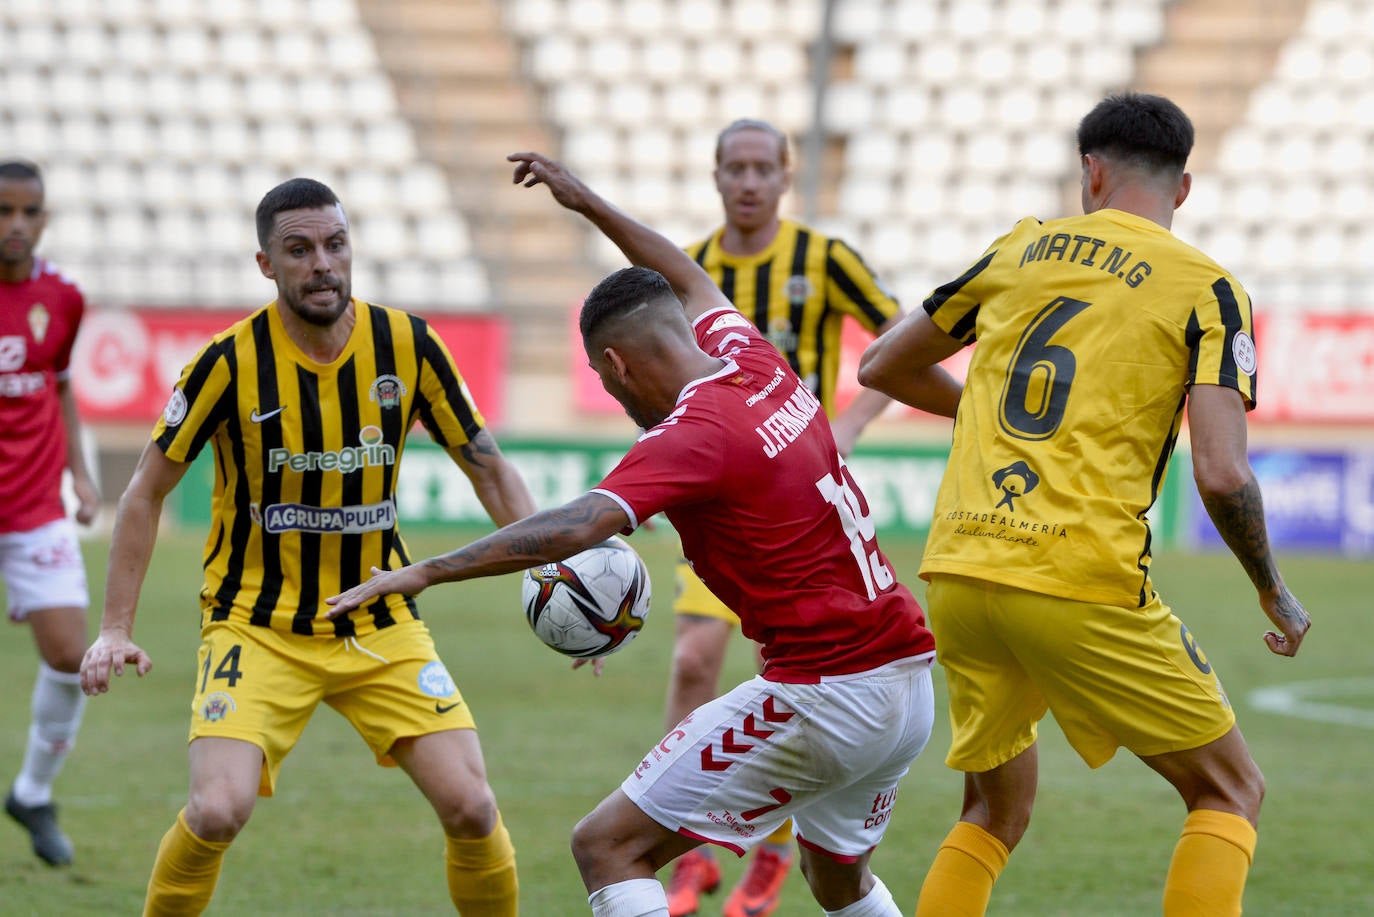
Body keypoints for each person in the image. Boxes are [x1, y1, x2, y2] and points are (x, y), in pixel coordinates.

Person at [328, 150, 944, 917]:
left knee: (606, 845)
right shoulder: (759, 362)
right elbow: (688, 277)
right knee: (838, 881)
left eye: (603, 376)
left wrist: (424, 571)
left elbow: (580, 523)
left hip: (830, 693)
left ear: (615, 365)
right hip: (909, 684)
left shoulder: (693, 434)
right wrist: (586, 203)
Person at [858, 92, 1312, 916]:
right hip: (1079, 579)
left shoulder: (1019, 250)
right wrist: (1271, 585)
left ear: (1090, 173)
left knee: (992, 809)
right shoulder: (1207, 287)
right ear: (1181, 190)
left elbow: (882, 365)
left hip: (960, 569)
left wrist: (985, 407)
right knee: (1229, 789)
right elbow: (1221, 471)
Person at [78, 178, 534, 915]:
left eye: (335, 244)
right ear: (267, 264)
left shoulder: (408, 345)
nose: (322, 263)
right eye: (299, 249)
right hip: (256, 627)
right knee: (217, 809)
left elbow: (489, 467)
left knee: (473, 806)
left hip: (380, 618)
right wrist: (115, 628)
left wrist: (556, 575)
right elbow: (144, 491)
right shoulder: (226, 362)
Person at [666, 119, 908, 917]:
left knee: (800, 672)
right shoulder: (691, 269)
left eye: (762, 167)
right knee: (695, 660)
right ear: (714, 175)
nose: (747, 181)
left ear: (784, 177)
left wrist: (848, 423)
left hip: (802, 505)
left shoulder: (824, 259)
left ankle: (769, 852)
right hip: (724, 499)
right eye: (733, 166)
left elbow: (902, 340)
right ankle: (690, 849)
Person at [0, 159, 101, 868]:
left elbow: (60, 384)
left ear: (44, 217)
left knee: (71, 657)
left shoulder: (63, 296)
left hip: (36, 504)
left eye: (29, 211)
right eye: (3, 210)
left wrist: (82, 475)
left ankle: (32, 792)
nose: (16, 224)